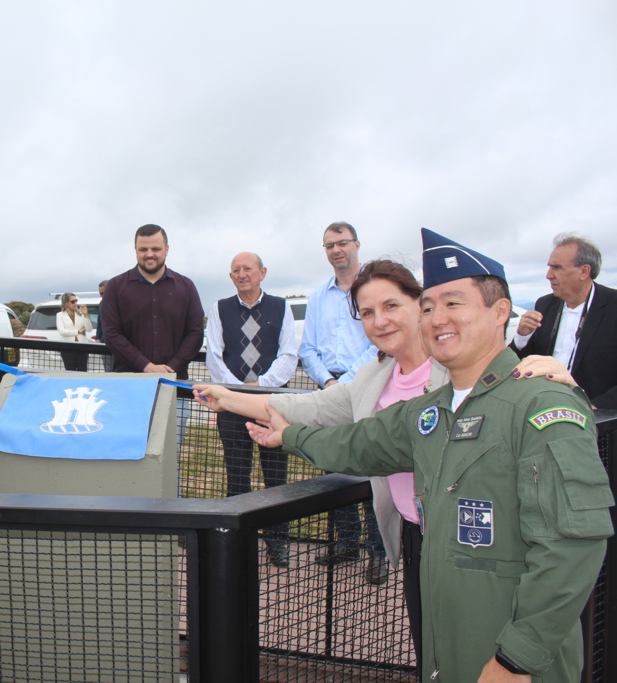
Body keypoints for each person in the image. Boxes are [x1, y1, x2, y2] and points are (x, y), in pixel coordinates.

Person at [246, 228, 613, 682]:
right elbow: (357, 445)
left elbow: (573, 547)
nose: (437, 317)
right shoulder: (427, 412)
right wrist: (291, 437)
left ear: (501, 312)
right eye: (428, 306)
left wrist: (516, 660)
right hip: (447, 652)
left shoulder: (542, 405)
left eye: (454, 303)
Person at [297, 221, 383, 569]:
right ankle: (346, 543)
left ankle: (378, 551)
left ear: (356, 245)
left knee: (373, 468)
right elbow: (308, 349)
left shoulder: (372, 289)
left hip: (370, 386)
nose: (336, 250)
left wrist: (346, 383)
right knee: (334, 468)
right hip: (329, 387)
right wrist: (330, 384)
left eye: (342, 243)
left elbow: (378, 342)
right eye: (329, 245)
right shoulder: (318, 295)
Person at [204, 252, 298, 567]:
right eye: (236, 270)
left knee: (275, 477)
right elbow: (214, 355)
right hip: (231, 406)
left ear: (262, 272)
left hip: (272, 405)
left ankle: (277, 542)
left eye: (248, 268)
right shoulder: (219, 309)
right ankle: (237, 542)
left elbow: (288, 353)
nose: (242, 274)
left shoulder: (281, 307)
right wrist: (238, 392)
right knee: (237, 476)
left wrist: (263, 388)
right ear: (231, 277)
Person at [101, 224, 204, 453]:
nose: (149, 254)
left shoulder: (186, 286)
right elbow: (111, 334)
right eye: (143, 249)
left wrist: (171, 368)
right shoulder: (116, 287)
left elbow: (196, 332)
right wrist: (146, 366)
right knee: (126, 455)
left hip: (174, 389)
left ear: (167, 249)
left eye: (156, 248)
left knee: (169, 458)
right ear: (135, 249)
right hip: (128, 389)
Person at [512, 232, 617, 409]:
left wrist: (595, 408)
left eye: (557, 267)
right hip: (545, 409)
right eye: (549, 267)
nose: (548, 275)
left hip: (597, 418)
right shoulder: (545, 305)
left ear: (584, 271)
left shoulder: (613, 306)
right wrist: (522, 337)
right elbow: (522, 362)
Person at [57, 292, 94, 371]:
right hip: (67, 347)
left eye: (76, 301)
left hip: (82, 347)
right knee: (70, 371)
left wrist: (86, 315)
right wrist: (77, 331)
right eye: (72, 301)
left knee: (82, 370)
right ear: (66, 303)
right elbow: (62, 331)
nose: (75, 303)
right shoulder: (60, 315)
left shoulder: (81, 313)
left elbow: (89, 329)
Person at [96, 279, 113, 371]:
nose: (101, 296)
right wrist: (97, 337)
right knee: (108, 369)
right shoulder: (101, 304)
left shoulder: (121, 302)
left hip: (117, 342)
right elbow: (99, 322)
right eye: (100, 293)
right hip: (104, 342)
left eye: (102, 293)